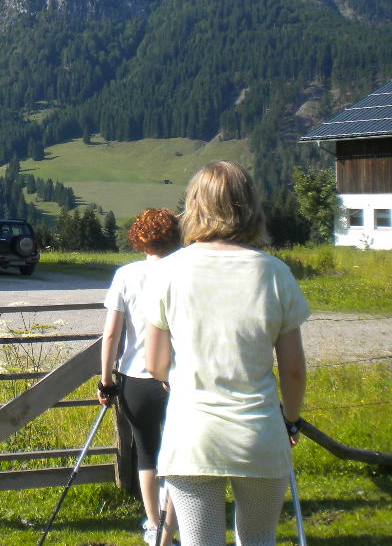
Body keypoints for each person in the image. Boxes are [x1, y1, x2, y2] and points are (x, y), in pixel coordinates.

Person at [146, 160, 309, 546]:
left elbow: (155, 364)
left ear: (195, 205)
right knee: (257, 539)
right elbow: (294, 371)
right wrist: (292, 419)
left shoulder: (168, 272)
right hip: (259, 430)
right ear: (249, 205)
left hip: (193, 433)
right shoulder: (273, 272)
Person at [99, 207, 180, 546]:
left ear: (139, 238)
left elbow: (112, 335)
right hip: (178, 377)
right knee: (181, 455)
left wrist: (106, 379)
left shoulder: (126, 275)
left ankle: (153, 523)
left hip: (136, 376)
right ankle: (175, 527)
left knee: (146, 452)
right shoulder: (185, 271)